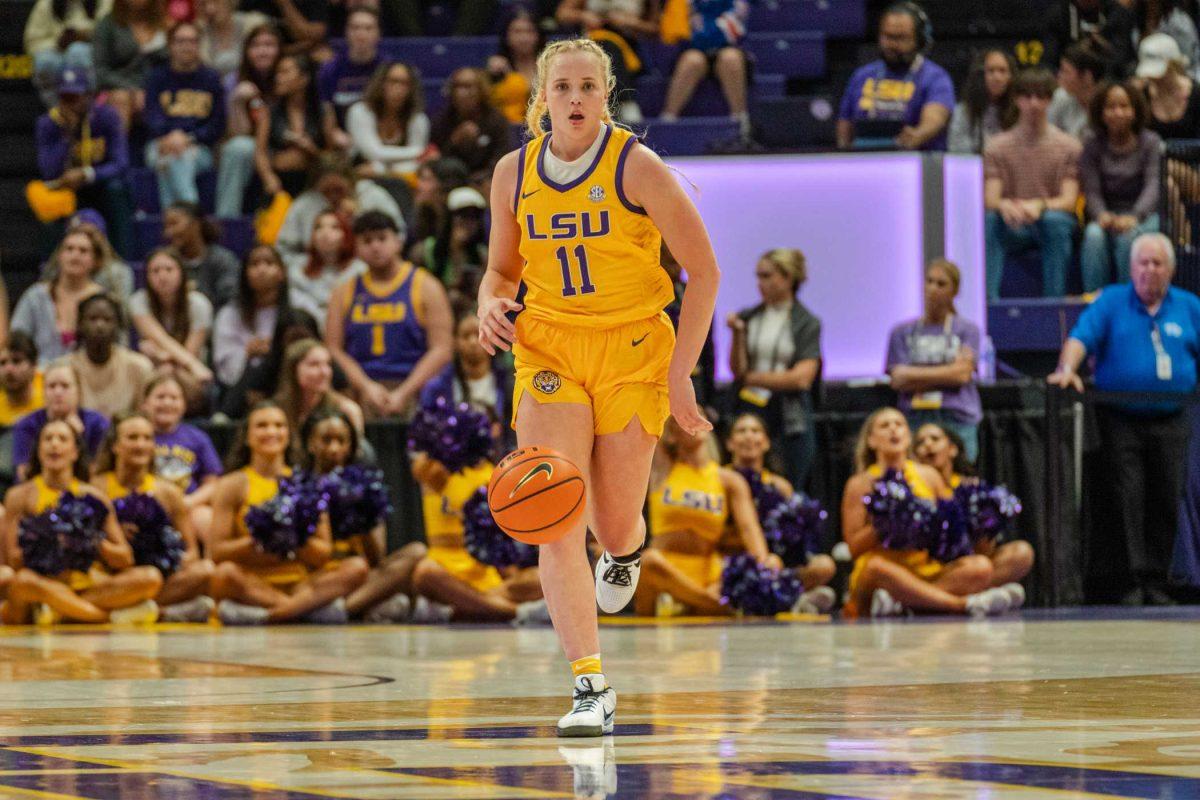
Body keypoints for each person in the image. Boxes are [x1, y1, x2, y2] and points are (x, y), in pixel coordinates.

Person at [476, 38, 718, 736]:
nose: (575, 99)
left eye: (588, 87)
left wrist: (681, 380)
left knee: (611, 522)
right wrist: (489, 304)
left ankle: (626, 548)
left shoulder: (636, 167)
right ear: (541, 98)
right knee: (551, 512)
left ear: (605, 96)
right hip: (549, 345)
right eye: (563, 88)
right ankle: (590, 685)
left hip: (633, 347)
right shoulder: (512, 172)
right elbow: (500, 272)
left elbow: (704, 273)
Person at [1048, 233, 1200, 605]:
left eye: (1157, 263)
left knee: (1166, 496)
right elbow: (1081, 336)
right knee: (1126, 498)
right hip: (1121, 418)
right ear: (1131, 269)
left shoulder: (1189, 306)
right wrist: (1067, 368)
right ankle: (1128, 581)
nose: (1149, 270)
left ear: (1171, 270)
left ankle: (1157, 580)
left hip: (1172, 416)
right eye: (1143, 263)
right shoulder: (1112, 302)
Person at [839, 408, 1015, 618]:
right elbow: (854, 548)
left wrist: (981, 516)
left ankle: (906, 603)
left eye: (899, 424)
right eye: (885, 426)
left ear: (908, 436)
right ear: (871, 441)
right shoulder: (860, 484)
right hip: (885, 571)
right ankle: (960, 604)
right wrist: (886, 524)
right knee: (875, 568)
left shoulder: (929, 476)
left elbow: (953, 533)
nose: (893, 429)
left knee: (980, 567)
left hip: (925, 569)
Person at [208, 401, 369, 625]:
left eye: (279, 425)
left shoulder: (304, 481)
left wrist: (294, 537)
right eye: (262, 426)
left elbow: (324, 551)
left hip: (302, 583)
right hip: (253, 582)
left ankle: (274, 615)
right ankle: (304, 610)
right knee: (223, 575)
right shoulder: (232, 484)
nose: (271, 431)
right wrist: (262, 539)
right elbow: (216, 552)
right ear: (247, 437)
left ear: (288, 434)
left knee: (357, 567)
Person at [0, 418, 161, 624]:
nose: (54, 444)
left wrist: (91, 541)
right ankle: (106, 616)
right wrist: (51, 539)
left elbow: (125, 558)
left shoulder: (94, 497)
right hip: (45, 582)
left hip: (89, 583)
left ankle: (60, 610)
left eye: (62, 439)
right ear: (39, 451)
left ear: (75, 452)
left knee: (150, 578)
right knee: (22, 582)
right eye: (48, 439)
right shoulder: (19, 496)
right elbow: (13, 560)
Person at [635, 415, 780, 616]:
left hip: (708, 571)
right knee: (648, 561)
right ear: (671, 435)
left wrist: (763, 567)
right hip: (664, 568)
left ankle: (689, 603)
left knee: (772, 561)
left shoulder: (729, 480)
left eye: (698, 414)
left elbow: (749, 529)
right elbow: (646, 422)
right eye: (683, 419)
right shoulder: (663, 468)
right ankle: (719, 606)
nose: (693, 419)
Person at [409, 415, 549, 624]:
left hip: (484, 573)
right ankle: (516, 612)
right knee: (424, 573)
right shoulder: (437, 470)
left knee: (541, 577)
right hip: (443, 569)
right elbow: (420, 459)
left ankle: (458, 608)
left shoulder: (496, 474)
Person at [298, 408, 427, 621]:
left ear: (351, 446)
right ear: (311, 443)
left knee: (417, 552)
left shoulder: (365, 487)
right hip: (320, 578)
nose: (334, 448)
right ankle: (362, 606)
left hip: (364, 575)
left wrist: (361, 516)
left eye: (342, 441)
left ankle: (343, 609)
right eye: (326, 440)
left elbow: (377, 558)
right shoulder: (298, 486)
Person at [92, 411, 218, 622]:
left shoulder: (168, 493)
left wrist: (163, 558)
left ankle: (129, 611)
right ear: (115, 446)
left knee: (205, 571)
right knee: (143, 579)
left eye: (147, 438)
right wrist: (114, 539)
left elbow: (192, 552)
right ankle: (159, 610)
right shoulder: (96, 488)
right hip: (111, 573)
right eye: (132, 438)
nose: (141, 445)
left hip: (156, 577)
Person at [326, 211, 453, 419]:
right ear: (357, 248)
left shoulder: (426, 286)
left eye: (382, 239)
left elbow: (442, 349)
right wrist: (366, 387)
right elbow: (333, 348)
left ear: (398, 242)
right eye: (367, 241)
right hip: (362, 389)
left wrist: (404, 393)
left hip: (415, 387)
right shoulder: (344, 291)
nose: (375, 246)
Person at [727, 248, 821, 491]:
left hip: (789, 418)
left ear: (788, 278)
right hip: (751, 409)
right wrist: (737, 335)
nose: (760, 283)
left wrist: (752, 378)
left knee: (789, 486)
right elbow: (737, 371)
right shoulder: (749, 317)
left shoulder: (807, 322)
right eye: (758, 276)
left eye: (767, 276)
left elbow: (801, 379)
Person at [983, 67, 1081, 300]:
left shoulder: (1069, 146)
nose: (1034, 104)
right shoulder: (996, 146)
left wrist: (1038, 206)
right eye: (1027, 97)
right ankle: (989, 302)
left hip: (1049, 221)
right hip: (1013, 223)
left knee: (1056, 221)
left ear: (1050, 100)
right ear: (1017, 100)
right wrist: (1005, 205)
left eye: (1041, 97)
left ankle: (1053, 303)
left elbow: (1068, 201)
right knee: (989, 219)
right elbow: (991, 198)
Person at [723, 412, 837, 599]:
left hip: (775, 559)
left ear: (766, 442)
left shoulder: (780, 485)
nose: (749, 436)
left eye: (755, 430)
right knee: (769, 564)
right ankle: (794, 598)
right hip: (734, 556)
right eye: (741, 431)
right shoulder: (722, 478)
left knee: (824, 565)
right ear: (729, 443)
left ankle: (788, 592)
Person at [913, 422, 1035, 590]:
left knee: (1022, 553)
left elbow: (984, 550)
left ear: (952, 449)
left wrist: (985, 523)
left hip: (970, 564)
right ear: (914, 455)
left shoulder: (970, 487)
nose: (928, 444)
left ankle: (957, 594)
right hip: (929, 569)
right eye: (920, 442)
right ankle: (932, 596)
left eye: (935, 438)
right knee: (978, 568)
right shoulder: (913, 488)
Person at [885, 259, 983, 461]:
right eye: (929, 281)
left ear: (954, 291)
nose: (932, 289)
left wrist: (915, 375)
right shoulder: (902, 332)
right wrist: (947, 372)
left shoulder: (967, 330)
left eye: (941, 284)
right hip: (915, 418)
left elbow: (962, 374)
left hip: (957, 418)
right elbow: (898, 379)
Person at [34, 67, 133, 259]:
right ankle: (50, 267)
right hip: (69, 189)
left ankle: (122, 260)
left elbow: (121, 163)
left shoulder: (107, 116)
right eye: (65, 97)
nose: (71, 103)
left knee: (117, 188)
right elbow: (48, 171)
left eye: (75, 97)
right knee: (48, 205)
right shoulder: (48, 123)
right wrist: (67, 134)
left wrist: (88, 174)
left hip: (100, 184)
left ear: (89, 96)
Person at [837, 2, 955, 151]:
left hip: (915, 163)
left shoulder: (935, 77)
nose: (892, 44)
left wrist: (918, 135)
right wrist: (845, 154)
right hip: (865, 162)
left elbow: (935, 119)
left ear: (920, 41)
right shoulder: (862, 75)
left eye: (901, 38)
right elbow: (845, 123)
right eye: (887, 36)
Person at [1080, 81, 1162, 291]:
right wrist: (1101, 214)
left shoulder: (1150, 142)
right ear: (1101, 113)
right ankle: (1095, 300)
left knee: (1130, 239)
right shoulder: (1092, 145)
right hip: (1108, 214)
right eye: (1111, 107)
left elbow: (1153, 185)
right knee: (1093, 235)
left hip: (1144, 214)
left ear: (1135, 111)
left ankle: (1131, 299)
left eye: (1124, 106)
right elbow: (1091, 189)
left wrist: (1135, 216)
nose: (1118, 113)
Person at [142, 20, 226, 209]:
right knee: (171, 158)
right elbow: (152, 117)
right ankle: (192, 220)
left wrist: (189, 138)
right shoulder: (156, 78)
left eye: (192, 41)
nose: (187, 46)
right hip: (159, 143)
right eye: (181, 41)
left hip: (200, 148)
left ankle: (175, 224)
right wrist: (171, 137)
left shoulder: (211, 79)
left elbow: (217, 124)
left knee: (173, 160)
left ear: (199, 45)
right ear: (170, 45)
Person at [213, 244, 319, 388]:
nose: (262, 270)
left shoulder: (302, 306)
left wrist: (276, 349)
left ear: (282, 272)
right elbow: (225, 369)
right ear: (245, 274)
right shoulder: (230, 314)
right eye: (254, 264)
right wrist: (248, 353)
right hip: (245, 387)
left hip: (295, 384)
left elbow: (316, 349)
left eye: (269, 263)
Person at [275, 156, 405, 267]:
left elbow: (399, 234)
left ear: (351, 182)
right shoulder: (305, 204)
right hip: (314, 273)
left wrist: (358, 217)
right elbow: (283, 249)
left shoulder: (373, 196)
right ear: (316, 188)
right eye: (327, 191)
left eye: (338, 190)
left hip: (366, 267)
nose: (333, 197)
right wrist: (308, 264)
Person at [140, 374, 221, 545]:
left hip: (189, 505)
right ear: (145, 404)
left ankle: (212, 567)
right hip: (147, 504)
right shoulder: (138, 436)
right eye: (160, 397)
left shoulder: (198, 438)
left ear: (184, 405)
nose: (167, 403)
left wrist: (188, 503)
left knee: (206, 518)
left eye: (174, 398)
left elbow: (213, 483)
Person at [128, 247, 215, 402]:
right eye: (155, 271)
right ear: (146, 277)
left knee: (169, 371)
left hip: (189, 376)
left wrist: (160, 355)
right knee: (162, 372)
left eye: (169, 269)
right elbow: (160, 337)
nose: (162, 276)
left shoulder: (199, 304)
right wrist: (192, 365)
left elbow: (189, 353)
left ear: (182, 273)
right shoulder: (138, 301)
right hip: (156, 371)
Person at [11, 228, 106, 365]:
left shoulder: (104, 301)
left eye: (83, 251)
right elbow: (16, 341)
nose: (75, 255)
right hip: (38, 378)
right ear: (60, 255)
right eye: (69, 249)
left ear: (95, 260)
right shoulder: (35, 296)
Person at [215, 21, 281, 218]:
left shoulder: (288, 74)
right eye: (256, 46)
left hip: (280, 144)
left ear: (280, 49)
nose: (262, 52)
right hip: (252, 147)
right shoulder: (233, 81)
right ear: (246, 51)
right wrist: (236, 103)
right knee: (238, 147)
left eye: (269, 45)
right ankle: (227, 220)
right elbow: (234, 134)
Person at [659, 0, 751, 139]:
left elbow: (735, 30)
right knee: (692, 60)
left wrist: (704, 34)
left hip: (727, 48)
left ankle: (741, 122)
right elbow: (678, 32)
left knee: (730, 58)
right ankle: (667, 120)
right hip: (693, 50)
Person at [554, 0, 655, 125]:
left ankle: (602, 108)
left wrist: (630, 22)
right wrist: (584, 16)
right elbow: (562, 14)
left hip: (630, 49)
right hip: (593, 43)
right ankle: (626, 104)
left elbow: (655, 28)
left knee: (609, 51)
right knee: (604, 47)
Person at [11, 362, 109, 479]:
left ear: (79, 391)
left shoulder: (97, 423)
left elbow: (101, 475)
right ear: (43, 392)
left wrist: (79, 439)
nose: (58, 392)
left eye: (65, 386)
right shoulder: (26, 425)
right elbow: (22, 474)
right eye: (51, 386)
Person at [420, 312, 513, 434]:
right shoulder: (436, 389)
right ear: (455, 342)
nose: (473, 342)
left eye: (480, 333)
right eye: (465, 336)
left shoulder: (509, 384)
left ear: (493, 339)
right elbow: (424, 433)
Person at [66, 293, 154, 417]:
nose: (100, 326)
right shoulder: (65, 368)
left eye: (107, 319)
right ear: (80, 324)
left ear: (118, 326)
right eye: (92, 319)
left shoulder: (139, 367)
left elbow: (145, 418)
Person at [255, 53, 325, 198]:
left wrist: (311, 149)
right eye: (278, 73)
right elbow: (260, 152)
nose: (278, 78)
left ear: (304, 79)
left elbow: (331, 156)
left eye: (285, 72)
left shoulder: (322, 111)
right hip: (279, 181)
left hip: (312, 182)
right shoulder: (269, 111)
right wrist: (268, 177)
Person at [347, 62, 431, 180]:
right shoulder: (360, 112)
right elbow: (373, 153)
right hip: (362, 180)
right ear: (380, 83)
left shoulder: (418, 119)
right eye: (393, 81)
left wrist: (380, 170)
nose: (398, 89)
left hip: (404, 182)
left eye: (405, 84)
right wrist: (420, 152)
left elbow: (416, 165)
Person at [92, 0, 168, 129]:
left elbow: (171, 65)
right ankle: (119, 148)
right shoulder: (107, 25)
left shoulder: (163, 24)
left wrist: (149, 91)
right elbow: (100, 71)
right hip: (117, 87)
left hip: (156, 85)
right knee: (121, 98)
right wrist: (132, 89)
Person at [318, 7, 383, 154]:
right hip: (344, 142)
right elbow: (328, 116)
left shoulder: (387, 69)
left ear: (378, 33)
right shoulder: (329, 70)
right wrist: (336, 136)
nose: (361, 34)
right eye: (355, 28)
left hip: (381, 140)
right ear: (346, 32)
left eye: (368, 28)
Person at [25, 0, 110, 107]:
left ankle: (89, 109)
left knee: (78, 51)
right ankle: (60, 113)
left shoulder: (104, 2)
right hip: (59, 54)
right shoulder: (46, 3)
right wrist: (58, 42)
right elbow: (32, 42)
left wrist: (84, 34)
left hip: (93, 53)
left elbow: (110, 35)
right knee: (45, 61)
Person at [430, 68, 512, 177]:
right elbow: (435, 161)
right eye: (457, 87)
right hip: (451, 182)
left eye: (468, 87)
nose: (461, 93)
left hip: (487, 181)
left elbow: (502, 157)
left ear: (481, 90)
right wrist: (454, 141)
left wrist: (485, 178)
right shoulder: (441, 120)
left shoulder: (496, 120)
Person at [273, 337, 365, 434]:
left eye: (328, 364)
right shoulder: (276, 410)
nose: (324, 372)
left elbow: (355, 448)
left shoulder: (347, 410)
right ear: (293, 370)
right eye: (314, 364)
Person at [162, 201, 240, 310]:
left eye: (174, 224)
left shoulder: (223, 260)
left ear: (195, 224)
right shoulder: (166, 262)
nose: (168, 232)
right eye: (166, 226)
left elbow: (229, 303)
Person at [421, 186, 489, 308]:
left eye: (474, 217)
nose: (468, 222)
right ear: (449, 218)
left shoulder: (482, 255)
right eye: (462, 216)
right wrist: (455, 247)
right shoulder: (427, 250)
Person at [287, 210, 366, 315]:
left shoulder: (360, 271)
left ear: (346, 235)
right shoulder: (298, 270)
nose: (325, 233)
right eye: (319, 227)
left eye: (334, 227)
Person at [947, 48, 1016, 154]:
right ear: (979, 76)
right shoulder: (963, 111)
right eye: (991, 71)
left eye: (1002, 71)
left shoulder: (1020, 110)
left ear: (1011, 76)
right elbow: (955, 147)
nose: (997, 77)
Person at [1043, 0, 1137, 77]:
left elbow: (1123, 56)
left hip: (1109, 75)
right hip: (1068, 75)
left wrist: (1102, 45)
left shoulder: (1117, 13)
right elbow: (1050, 59)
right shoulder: (1059, 14)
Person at [488, 7, 544, 124]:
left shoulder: (552, 67)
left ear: (538, 36)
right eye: (517, 32)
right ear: (506, 37)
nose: (524, 38)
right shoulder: (497, 70)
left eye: (529, 31)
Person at [194, 0, 268, 83]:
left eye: (216, 2)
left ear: (229, 2)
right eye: (203, 4)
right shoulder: (199, 33)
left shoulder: (254, 25)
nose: (210, 9)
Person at [1049, 40, 1108, 139]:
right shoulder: (1060, 97)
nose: (1059, 75)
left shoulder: (1111, 103)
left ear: (1087, 76)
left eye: (1065, 71)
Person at [237, 0, 328, 55]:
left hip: (301, 55)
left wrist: (284, 3)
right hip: (259, 55)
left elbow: (315, 36)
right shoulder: (252, 2)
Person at [1135, 0, 1200, 77]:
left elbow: (1189, 60)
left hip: (1180, 76)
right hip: (1145, 73)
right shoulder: (1136, 20)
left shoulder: (1179, 22)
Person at [0, 334, 45, 429]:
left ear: (34, 366)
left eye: (16, 361)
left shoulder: (47, 405)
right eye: (3, 363)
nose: (9, 369)